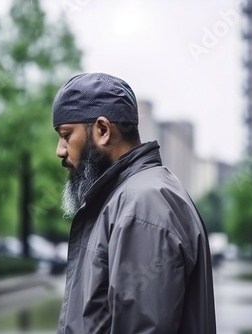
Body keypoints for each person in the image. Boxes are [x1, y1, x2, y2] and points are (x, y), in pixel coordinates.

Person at [52, 73, 216, 334]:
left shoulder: (141, 205)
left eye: (66, 135)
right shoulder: (128, 198)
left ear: (103, 131)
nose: (60, 150)